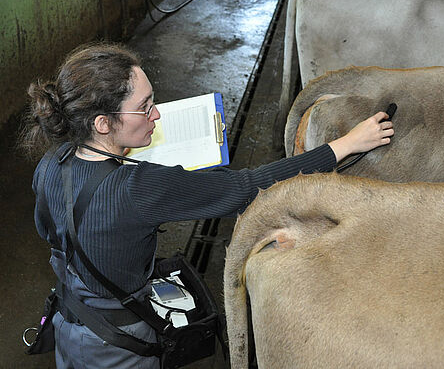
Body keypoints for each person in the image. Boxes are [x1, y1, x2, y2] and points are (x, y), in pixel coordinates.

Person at [20, 43, 394, 369]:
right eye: (144, 107)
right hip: (117, 348)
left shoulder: (52, 164)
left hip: (69, 322)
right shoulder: (139, 187)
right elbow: (246, 187)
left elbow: (51, 231)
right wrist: (344, 145)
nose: (157, 114)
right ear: (103, 123)